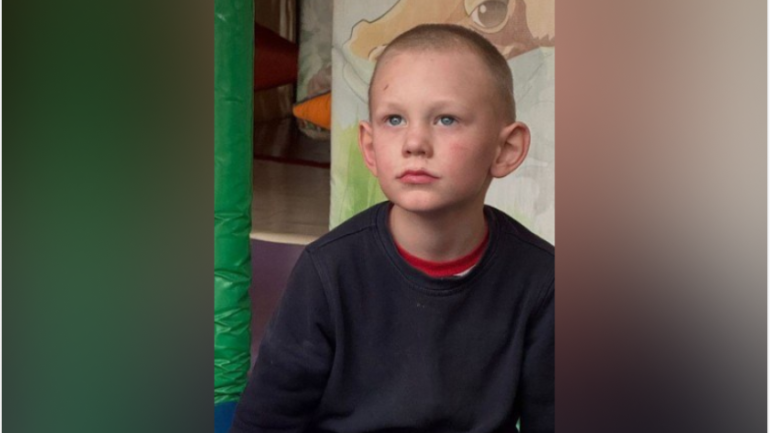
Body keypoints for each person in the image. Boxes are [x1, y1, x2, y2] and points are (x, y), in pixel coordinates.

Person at [230, 24, 554, 433]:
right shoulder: (328, 271)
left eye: (447, 119)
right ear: (370, 147)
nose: (414, 143)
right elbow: (265, 423)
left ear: (505, 149)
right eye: (394, 119)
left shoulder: (543, 280)